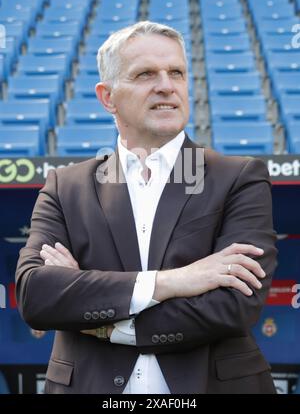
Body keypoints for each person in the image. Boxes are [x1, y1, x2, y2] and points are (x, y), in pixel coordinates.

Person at [16, 21, 277, 394]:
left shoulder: (239, 177)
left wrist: (97, 319)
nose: (167, 86)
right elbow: (37, 295)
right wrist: (172, 281)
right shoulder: (65, 186)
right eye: (145, 74)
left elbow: (233, 304)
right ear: (108, 97)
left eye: (176, 73)